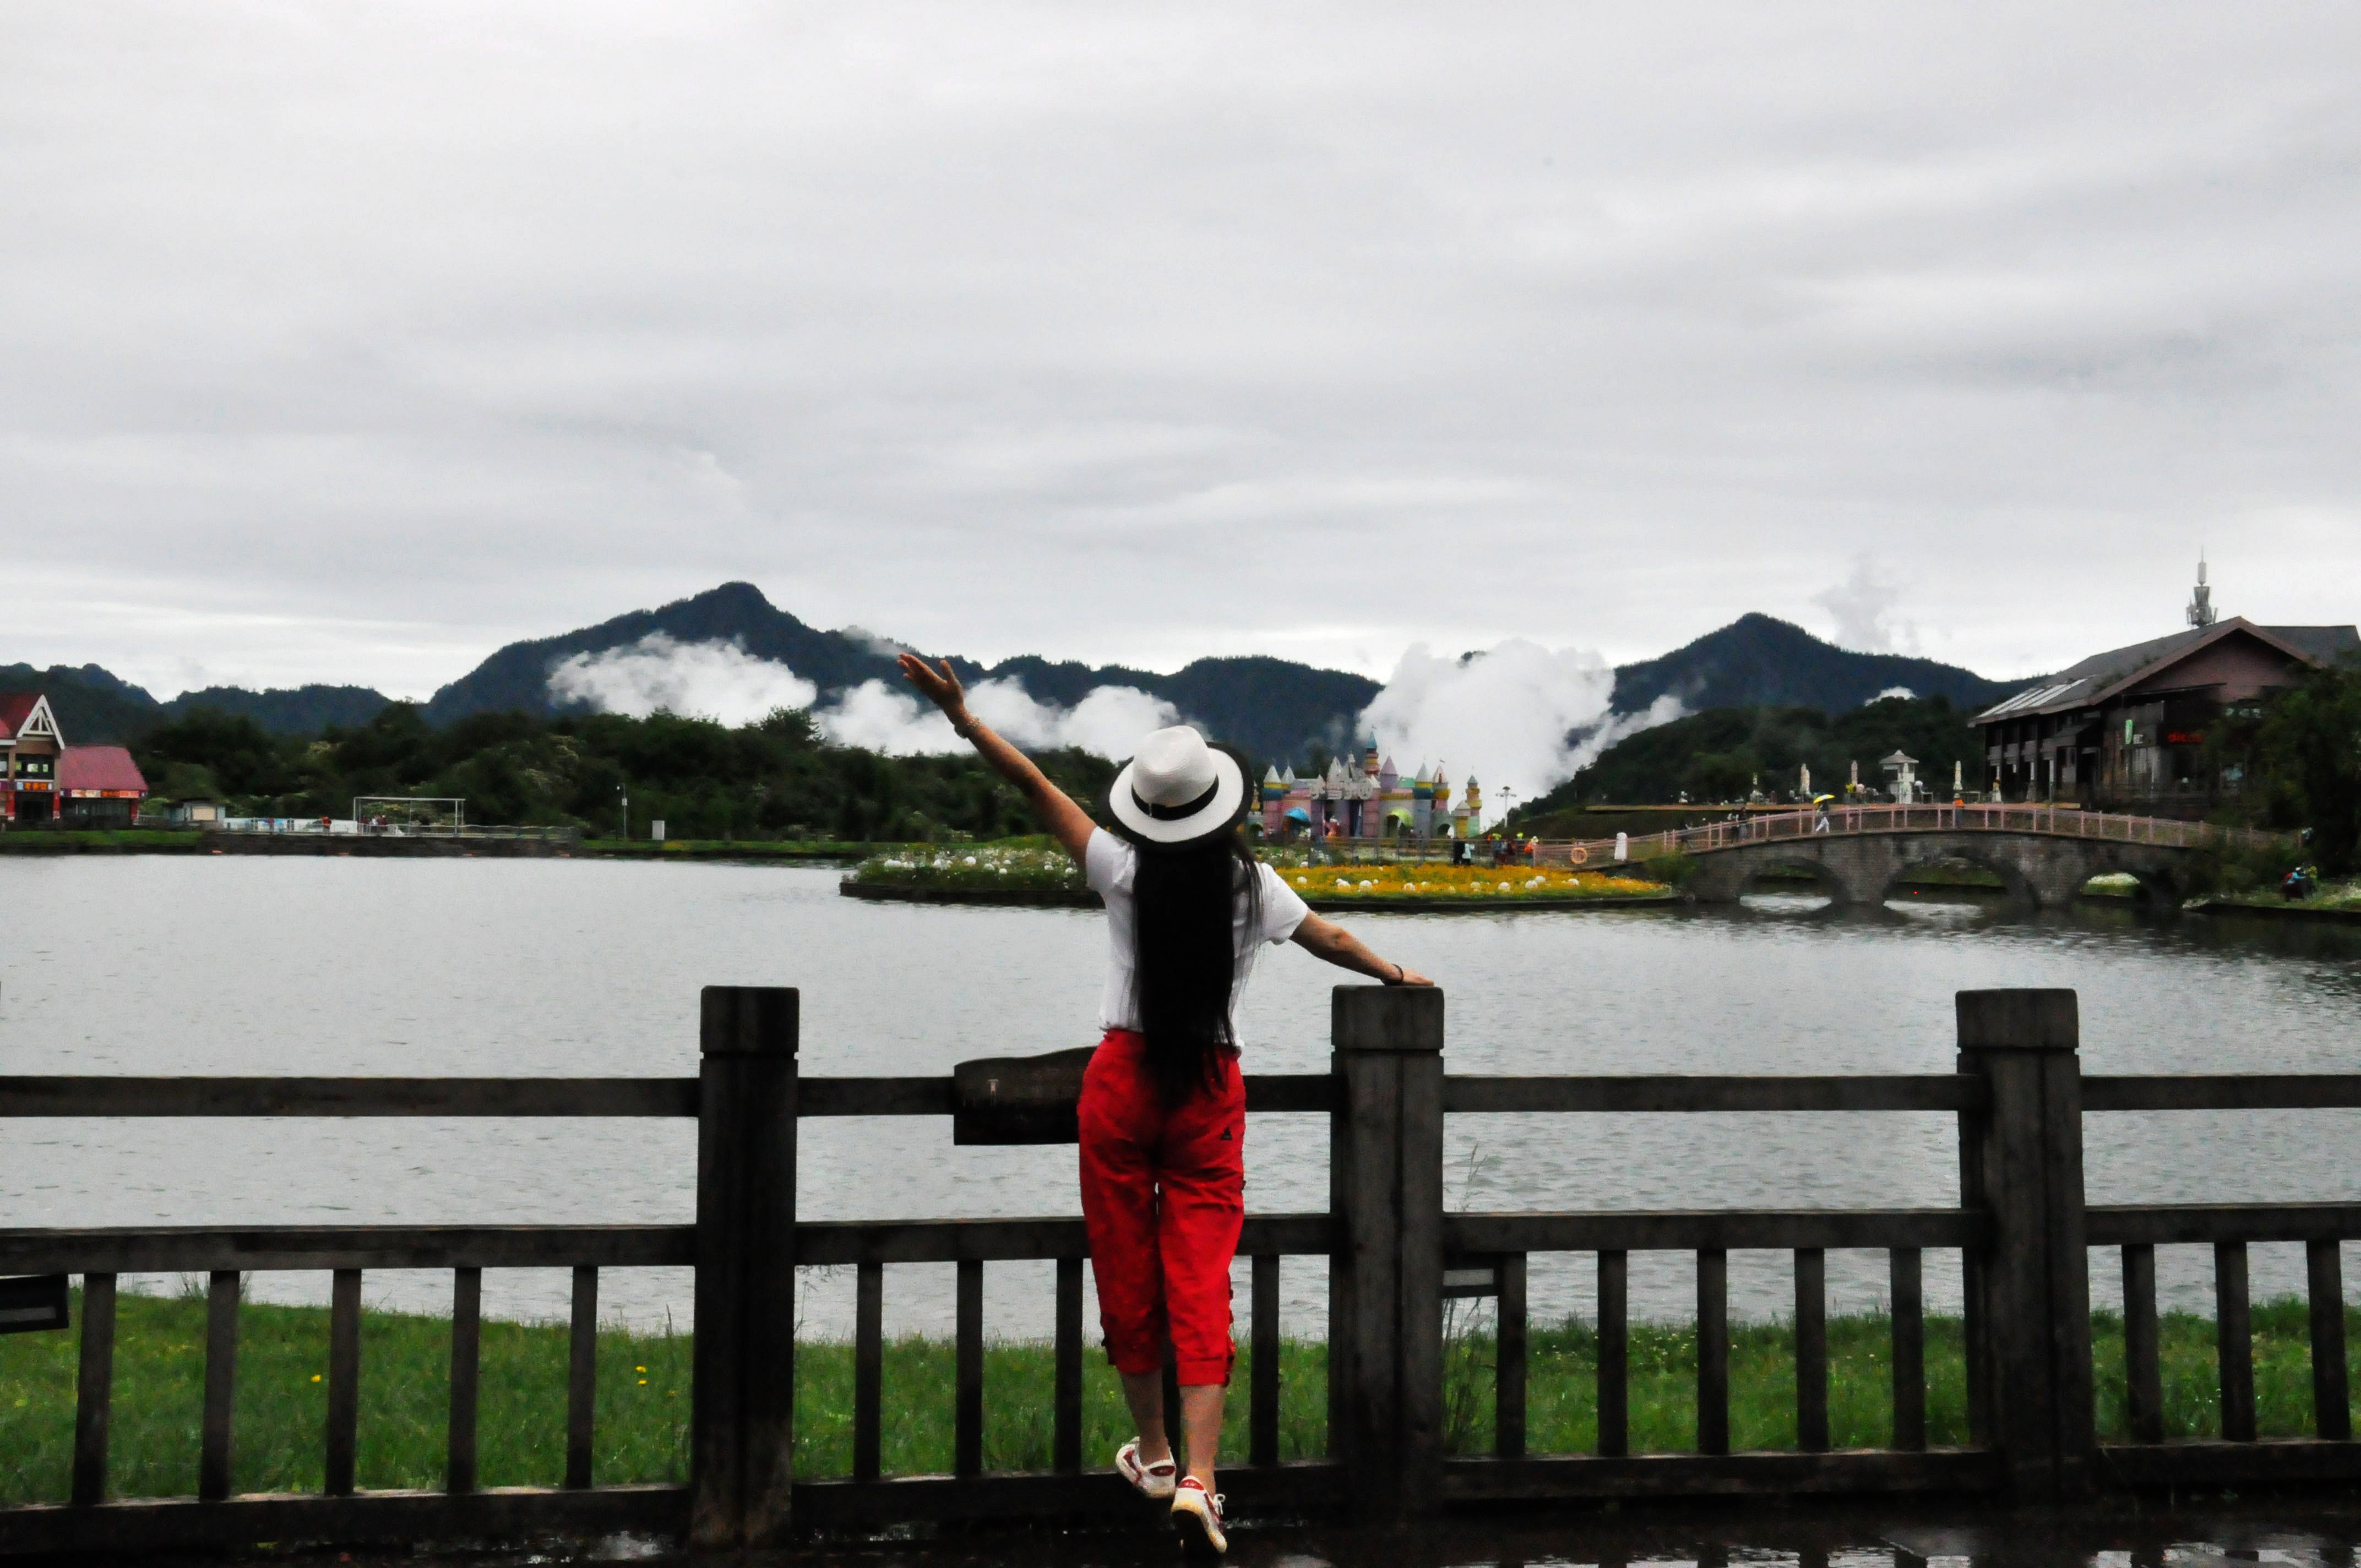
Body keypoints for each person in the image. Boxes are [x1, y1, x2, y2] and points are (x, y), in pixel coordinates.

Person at [899, 655, 1432, 1554]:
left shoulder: (1121, 869)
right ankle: (1201, 1480)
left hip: (1119, 1083)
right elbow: (1332, 940)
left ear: (1145, 808)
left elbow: (1032, 785)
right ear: (1221, 806)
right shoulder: (1252, 887)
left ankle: (1151, 1454)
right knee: (1199, 1276)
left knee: (1126, 1266)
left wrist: (963, 715)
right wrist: (1395, 973)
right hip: (1207, 1089)